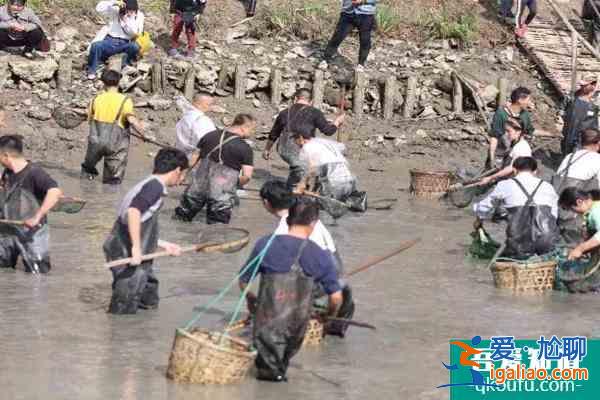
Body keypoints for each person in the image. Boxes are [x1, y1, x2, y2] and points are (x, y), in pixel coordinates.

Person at [239, 197, 343, 381]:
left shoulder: (265, 244)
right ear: (313, 223)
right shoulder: (320, 255)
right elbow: (336, 297)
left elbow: (243, 280)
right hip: (296, 329)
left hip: (266, 325)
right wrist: (327, 316)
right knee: (280, 371)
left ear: (288, 219)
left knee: (268, 376)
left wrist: (250, 298)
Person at [259, 180, 354, 337]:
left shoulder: (282, 232)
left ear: (266, 203)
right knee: (332, 339)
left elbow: (281, 276)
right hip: (340, 287)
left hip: (319, 290)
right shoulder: (307, 217)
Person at [103, 148, 188, 314]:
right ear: (178, 170)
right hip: (124, 249)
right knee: (124, 305)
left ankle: (142, 333)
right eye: (184, 174)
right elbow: (133, 212)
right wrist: (136, 248)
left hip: (127, 244)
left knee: (148, 297)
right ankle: (120, 333)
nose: (183, 179)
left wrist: (164, 245)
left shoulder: (149, 184)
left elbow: (140, 224)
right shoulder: (154, 187)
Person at [174, 114, 255, 224]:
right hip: (221, 195)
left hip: (197, 188)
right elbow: (247, 176)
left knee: (180, 219)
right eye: (252, 129)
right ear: (244, 127)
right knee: (217, 229)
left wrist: (182, 175)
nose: (252, 133)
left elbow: (193, 159)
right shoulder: (244, 148)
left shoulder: (209, 136)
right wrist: (234, 185)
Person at [474, 157, 559, 259]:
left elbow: (483, 207)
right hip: (546, 240)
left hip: (518, 242)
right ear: (535, 171)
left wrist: (479, 220)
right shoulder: (547, 186)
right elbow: (554, 214)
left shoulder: (505, 185)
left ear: (514, 170)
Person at [0, 135, 63, 274]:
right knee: (3, 271)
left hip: (32, 233)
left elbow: (55, 191)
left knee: (37, 276)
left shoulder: (35, 173)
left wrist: (37, 217)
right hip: (8, 230)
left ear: (6, 155)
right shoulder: (8, 172)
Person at [263, 89, 344, 189]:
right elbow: (328, 131)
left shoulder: (284, 112)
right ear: (311, 101)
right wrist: (337, 122)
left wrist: (267, 149)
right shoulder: (315, 112)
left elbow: (274, 134)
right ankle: (298, 189)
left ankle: (296, 187)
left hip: (284, 149)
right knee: (306, 168)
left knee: (299, 168)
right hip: (302, 148)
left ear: (295, 99)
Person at [81, 70, 145, 185]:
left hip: (96, 142)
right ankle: (109, 196)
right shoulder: (125, 100)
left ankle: (86, 187)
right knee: (113, 180)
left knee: (87, 169)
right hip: (116, 145)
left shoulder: (96, 99)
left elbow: (88, 116)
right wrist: (143, 134)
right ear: (118, 82)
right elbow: (131, 120)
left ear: (103, 83)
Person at [293, 130, 367, 217]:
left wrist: (301, 184)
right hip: (350, 181)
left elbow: (312, 168)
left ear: (301, 138)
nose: (295, 144)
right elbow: (342, 146)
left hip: (335, 185)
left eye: (294, 140)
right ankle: (353, 203)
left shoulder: (307, 147)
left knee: (315, 208)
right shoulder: (323, 142)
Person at [553, 129, 600, 246]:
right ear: (598, 143)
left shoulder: (569, 156)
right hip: (576, 214)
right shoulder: (597, 159)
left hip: (557, 209)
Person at [87, 0, 145, 80]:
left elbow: (134, 33)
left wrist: (126, 21)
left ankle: (124, 65)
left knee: (134, 47)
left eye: (132, 10)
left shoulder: (139, 15)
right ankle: (92, 70)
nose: (129, 12)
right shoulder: (116, 10)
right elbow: (99, 8)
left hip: (125, 43)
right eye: (127, 10)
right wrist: (114, 2)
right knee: (96, 46)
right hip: (110, 41)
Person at [488, 87, 535, 169]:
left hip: (514, 154)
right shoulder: (501, 114)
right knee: (492, 174)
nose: (530, 103)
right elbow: (494, 136)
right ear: (520, 100)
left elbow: (530, 131)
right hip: (500, 153)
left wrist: (552, 134)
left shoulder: (525, 115)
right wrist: (492, 158)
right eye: (528, 100)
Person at [323, 0, 377, 67]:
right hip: (347, 13)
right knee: (337, 37)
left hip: (366, 15)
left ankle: (361, 64)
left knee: (365, 40)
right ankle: (325, 60)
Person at [479, 119, 532, 186]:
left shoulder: (522, 148)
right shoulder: (514, 142)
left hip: (517, 184)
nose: (506, 134)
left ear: (518, 132)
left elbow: (511, 168)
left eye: (508, 131)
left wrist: (490, 178)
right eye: (505, 131)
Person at [561, 76, 599, 155]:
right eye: (582, 85)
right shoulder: (572, 99)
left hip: (582, 142)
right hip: (569, 138)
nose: (582, 87)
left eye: (585, 85)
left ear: (593, 85)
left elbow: (593, 127)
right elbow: (564, 114)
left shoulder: (594, 105)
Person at [175, 94, 216, 164]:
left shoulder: (186, 116)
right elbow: (208, 141)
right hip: (194, 160)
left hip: (179, 153)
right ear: (198, 104)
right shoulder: (202, 121)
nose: (211, 107)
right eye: (209, 104)